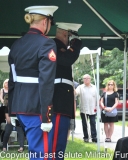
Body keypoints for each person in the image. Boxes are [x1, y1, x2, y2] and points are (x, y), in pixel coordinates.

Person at [8, 5, 58, 159]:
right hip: (36, 108)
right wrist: (46, 116)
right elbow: (46, 82)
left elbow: (13, 80)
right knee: (41, 154)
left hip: (20, 106)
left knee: (35, 152)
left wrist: (12, 110)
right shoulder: (47, 44)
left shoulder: (17, 44)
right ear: (45, 22)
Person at [49, 22, 82, 158]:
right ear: (65, 34)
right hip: (58, 100)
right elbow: (66, 59)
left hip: (62, 100)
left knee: (61, 139)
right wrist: (77, 44)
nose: (71, 41)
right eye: (71, 36)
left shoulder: (59, 47)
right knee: (56, 140)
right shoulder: (53, 45)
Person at [75, 74, 98, 143]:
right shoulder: (80, 87)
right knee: (84, 124)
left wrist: (97, 106)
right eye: (85, 78)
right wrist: (73, 88)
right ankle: (86, 137)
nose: (86, 79)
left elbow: (97, 97)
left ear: (90, 79)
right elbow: (76, 93)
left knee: (93, 123)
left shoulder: (94, 87)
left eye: (88, 78)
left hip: (92, 109)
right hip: (84, 109)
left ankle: (94, 137)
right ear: (83, 80)